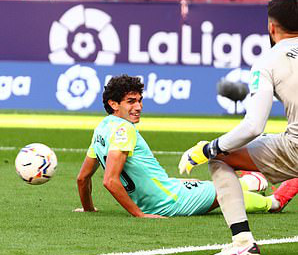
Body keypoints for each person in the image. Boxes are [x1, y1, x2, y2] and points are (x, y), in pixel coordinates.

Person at [75, 74, 298, 221]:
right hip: (169, 202)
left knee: (198, 184)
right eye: (131, 101)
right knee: (224, 192)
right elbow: (110, 180)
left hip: (164, 190)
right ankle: (273, 202)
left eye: (140, 100)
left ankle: (253, 182)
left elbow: (82, 178)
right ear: (113, 104)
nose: (139, 107)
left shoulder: (101, 129)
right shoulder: (124, 130)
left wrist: (88, 208)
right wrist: (139, 215)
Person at [180, 0, 298, 255]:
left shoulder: (268, 60)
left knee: (220, 157)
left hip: (296, 148)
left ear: (271, 27)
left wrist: (209, 148)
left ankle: (242, 242)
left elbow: (254, 126)